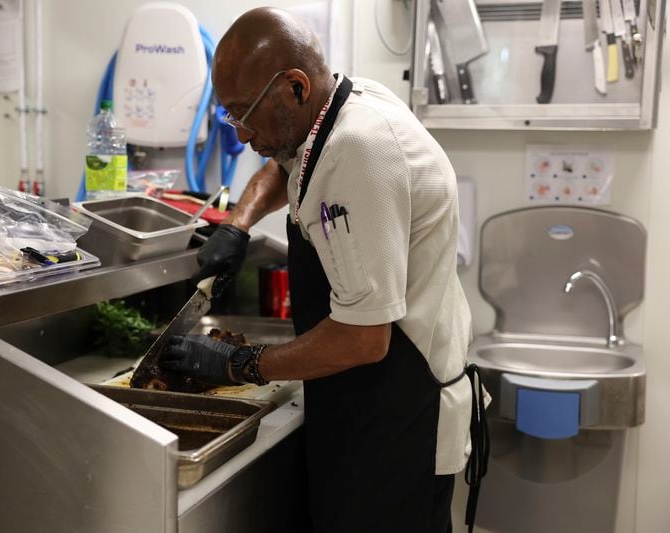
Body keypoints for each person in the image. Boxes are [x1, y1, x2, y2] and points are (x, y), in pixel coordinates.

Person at [159, 7, 488, 533]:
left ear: (293, 87)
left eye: (244, 113)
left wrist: (241, 363)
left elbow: (364, 340)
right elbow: (284, 162)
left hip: (400, 414)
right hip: (360, 402)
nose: (241, 133)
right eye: (231, 115)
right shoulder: (330, 109)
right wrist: (237, 226)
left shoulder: (359, 149)